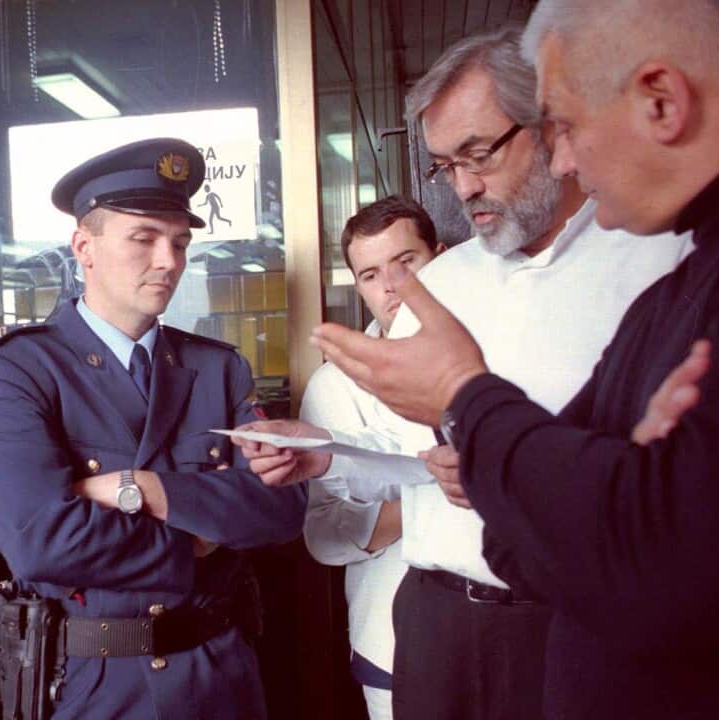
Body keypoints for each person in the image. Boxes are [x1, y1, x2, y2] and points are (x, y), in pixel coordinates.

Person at [309, 1, 719, 717]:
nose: (564, 156)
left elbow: (656, 553)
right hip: (446, 616)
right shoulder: (702, 272)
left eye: (564, 127)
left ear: (663, 101)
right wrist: (560, 474)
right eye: (446, 165)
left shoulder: (686, 259)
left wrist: (473, 404)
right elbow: (554, 521)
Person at [237, 27, 691, 720]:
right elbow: (417, 462)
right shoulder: (442, 283)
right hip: (434, 620)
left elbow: (678, 475)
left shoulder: (652, 260)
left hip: (576, 622)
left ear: (551, 128)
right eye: (445, 166)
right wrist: (327, 457)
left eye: (479, 155)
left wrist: (502, 464)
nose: (465, 187)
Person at [0, 138, 306, 720]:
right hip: (95, 684)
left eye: (179, 242)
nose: (168, 261)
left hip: (220, 672)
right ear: (84, 247)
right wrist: (199, 539)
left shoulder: (219, 368)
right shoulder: (16, 366)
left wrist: (147, 491)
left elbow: (283, 511)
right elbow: (40, 541)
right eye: (143, 238)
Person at [300, 196, 444, 720]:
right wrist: (444, 490)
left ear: (442, 256)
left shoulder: (494, 354)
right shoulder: (335, 385)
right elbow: (324, 536)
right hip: (392, 646)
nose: (391, 286)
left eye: (407, 263)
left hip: (513, 629)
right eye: (370, 274)